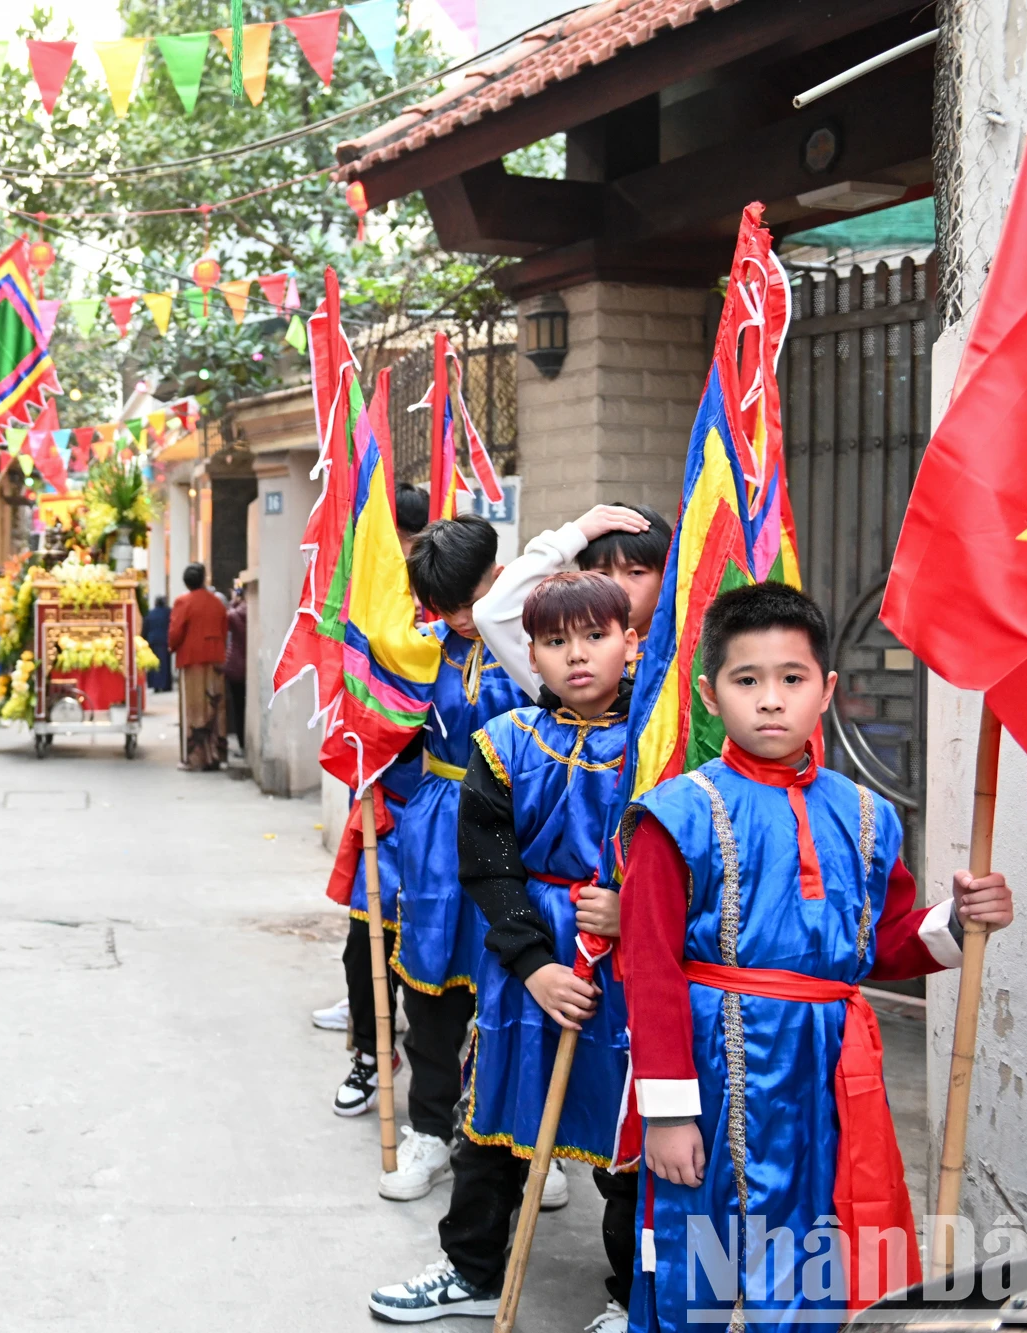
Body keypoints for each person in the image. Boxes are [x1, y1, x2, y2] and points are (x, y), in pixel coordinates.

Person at [620, 582, 1014, 1329]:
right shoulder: (672, 816)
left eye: (791, 678)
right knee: (693, 1259)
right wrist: (668, 1114)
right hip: (713, 1066)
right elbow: (649, 970)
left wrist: (958, 921)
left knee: (814, 1247)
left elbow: (885, 941)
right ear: (709, 694)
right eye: (747, 680)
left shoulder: (865, 813)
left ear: (826, 690)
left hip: (830, 1073)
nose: (770, 700)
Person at [369, 572, 638, 1328]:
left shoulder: (656, 746)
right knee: (490, 1120)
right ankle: (472, 1267)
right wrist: (535, 963)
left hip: (624, 963)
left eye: (594, 636)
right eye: (555, 641)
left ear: (632, 641)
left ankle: (630, 1295)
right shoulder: (505, 742)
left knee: (625, 1136)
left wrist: (632, 910)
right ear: (531, 653)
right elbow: (487, 864)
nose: (576, 656)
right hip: (525, 963)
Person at [349, 514, 532, 1209]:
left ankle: (525, 1135)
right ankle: (429, 1126)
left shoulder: (534, 638)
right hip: (434, 829)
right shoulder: (422, 649)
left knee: (516, 986)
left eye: (472, 596)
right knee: (429, 986)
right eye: (444, 606)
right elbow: (386, 729)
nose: (462, 617)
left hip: (518, 832)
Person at [313, 487, 432, 1037]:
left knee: (428, 931)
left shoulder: (432, 611)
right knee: (367, 934)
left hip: (434, 801)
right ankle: (368, 1035)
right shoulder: (379, 595)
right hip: (385, 786)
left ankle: (407, 1028)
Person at [475, 504, 669, 702]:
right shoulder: (560, 653)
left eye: (636, 572)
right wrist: (574, 535)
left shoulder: (684, 648)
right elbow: (490, 612)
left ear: (665, 575)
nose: (618, 586)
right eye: (601, 574)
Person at [168, 563, 228, 770]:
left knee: (193, 709)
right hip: (216, 659)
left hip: (191, 659)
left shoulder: (183, 602)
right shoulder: (217, 603)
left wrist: (172, 647)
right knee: (216, 705)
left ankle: (194, 758)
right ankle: (217, 755)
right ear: (204, 579)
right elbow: (223, 629)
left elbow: (175, 632)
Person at [222, 587, 248, 754]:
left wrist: (233, 601)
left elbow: (227, 615)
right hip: (247, 664)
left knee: (238, 708)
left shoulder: (234, 613)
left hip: (235, 666)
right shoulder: (252, 612)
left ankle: (242, 744)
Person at [144, 595, 172, 693]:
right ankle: (165, 685)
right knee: (164, 663)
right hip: (164, 641)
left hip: (153, 641)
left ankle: (155, 684)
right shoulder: (168, 612)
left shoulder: (150, 613)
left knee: (154, 663)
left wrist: (144, 639)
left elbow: (145, 627)